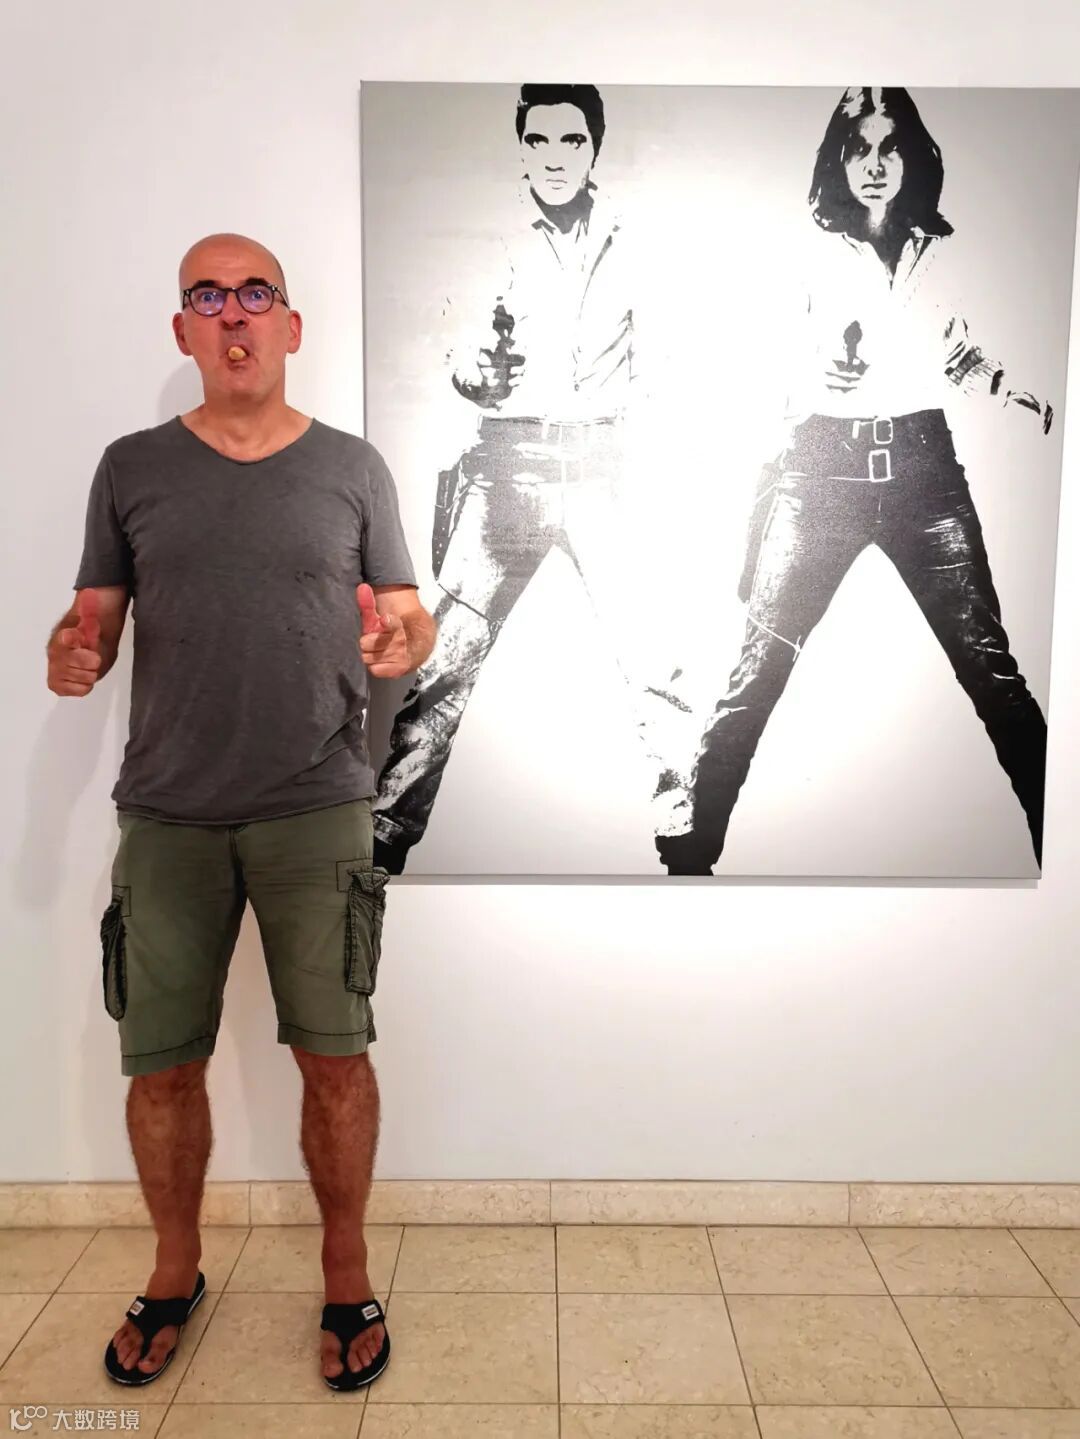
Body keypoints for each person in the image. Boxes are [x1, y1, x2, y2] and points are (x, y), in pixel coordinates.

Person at [45, 233, 435, 1391]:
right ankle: (175, 1270)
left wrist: (401, 639)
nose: (233, 313)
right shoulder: (130, 468)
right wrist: (71, 654)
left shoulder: (353, 468)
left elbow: (409, 613)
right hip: (168, 814)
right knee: (162, 1067)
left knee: (336, 1059)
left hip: (318, 807)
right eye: (207, 296)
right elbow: (92, 621)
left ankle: (346, 1272)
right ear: (183, 329)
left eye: (254, 292)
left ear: (290, 324)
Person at [657, 87, 1052, 875]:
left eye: (889, 148)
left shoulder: (937, 247)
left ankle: (1065, 843)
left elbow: (955, 352)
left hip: (924, 474)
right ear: (837, 160)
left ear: (913, 157)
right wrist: (813, 373)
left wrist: (1011, 390)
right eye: (859, 149)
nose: (875, 165)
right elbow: (755, 359)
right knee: (758, 669)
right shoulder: (803, 250)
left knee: (991, 669)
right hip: (820, 475)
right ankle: (688, 861)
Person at [372, 82, 689, 874]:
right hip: (506, 466)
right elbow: (455, 351)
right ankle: (384, 833)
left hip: (603, 465)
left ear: (595, 147)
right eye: (539, 140)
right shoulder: (487, 236)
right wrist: (477, 374)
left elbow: (664, 355)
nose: (554, 157)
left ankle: (685, 824)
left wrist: (644, 432)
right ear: (521, 146)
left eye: (571, 141)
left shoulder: (631, 236)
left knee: (652, 655)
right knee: (445, 660)